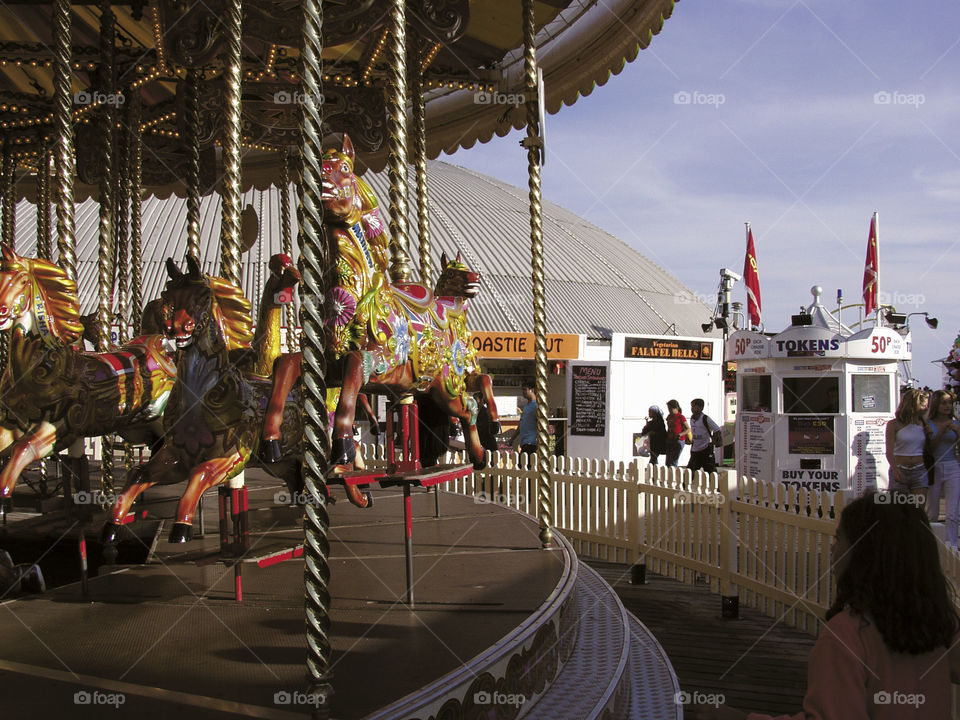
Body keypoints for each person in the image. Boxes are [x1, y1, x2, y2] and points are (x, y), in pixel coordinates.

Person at [687, 491, 960, 720]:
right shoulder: (938, 626)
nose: (832, 548)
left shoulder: (847, 636)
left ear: (865, 554)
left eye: (839, 538)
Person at [925, 389, 960, 548]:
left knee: (952, 513)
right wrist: (940, 433)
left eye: (949, 403)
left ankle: (951, 545)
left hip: (952, 465)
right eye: (943, 402)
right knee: (933, 511)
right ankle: (934, 545)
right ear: (936, 404)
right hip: (934, 467)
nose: (947, 406)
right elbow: (929, 449)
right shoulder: (929, 423)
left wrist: (957, 431)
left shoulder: (956, 422)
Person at [885, 388, 930, 500]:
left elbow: (929, 448)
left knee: (918, 508)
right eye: (924, 405)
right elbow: (889, 451)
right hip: (900, 469)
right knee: (898, 508)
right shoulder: (894, 424)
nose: (926, 408)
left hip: (919, 470)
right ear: (914, 405)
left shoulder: (924, 424)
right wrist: (895, 468)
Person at [687, 398, 721, 474]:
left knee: (710, 472)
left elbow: (717, 430)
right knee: (689, 472)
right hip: (695, 450)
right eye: (691, 406)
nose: (692, 408)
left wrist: (712, 442)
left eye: (694, 406)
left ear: (700, 407)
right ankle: (684, 485)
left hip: (705, 450)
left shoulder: (705, 418)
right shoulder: (692, 418)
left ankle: (715, 485)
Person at [512, 380, 538, 456]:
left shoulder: (535, 406)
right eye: (522, 390)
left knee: (524, 464)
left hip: (531, 443)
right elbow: (521, 424)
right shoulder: (526, 406)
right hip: (524, 442)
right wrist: (512, 439)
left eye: (525, 389)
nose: (523, 392)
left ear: (532, 390)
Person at [664, 399, 691, 467]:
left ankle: (673, 475)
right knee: (668, 461)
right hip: (670, 440)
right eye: (668, 409)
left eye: (671, 409)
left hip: (679, 440)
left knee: (673, 460)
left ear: (676, 408)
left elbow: (688, 429)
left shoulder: (681, 417)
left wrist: (680, 434)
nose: (669, 410)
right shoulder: (669, 416)